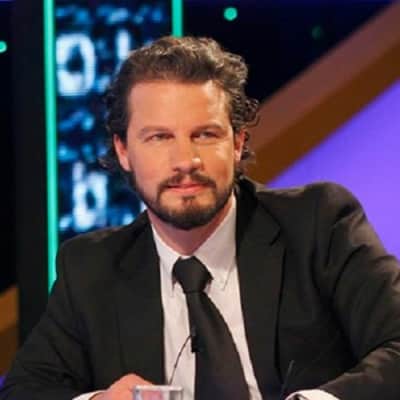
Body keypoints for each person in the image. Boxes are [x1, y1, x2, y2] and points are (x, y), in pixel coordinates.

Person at [1, 36, 400, 400]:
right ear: (123, 151)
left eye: (205, 135)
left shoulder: (318, 223)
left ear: (237, 142)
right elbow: (26, 390)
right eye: (159, 137)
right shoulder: (92, 268)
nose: (185, 161)